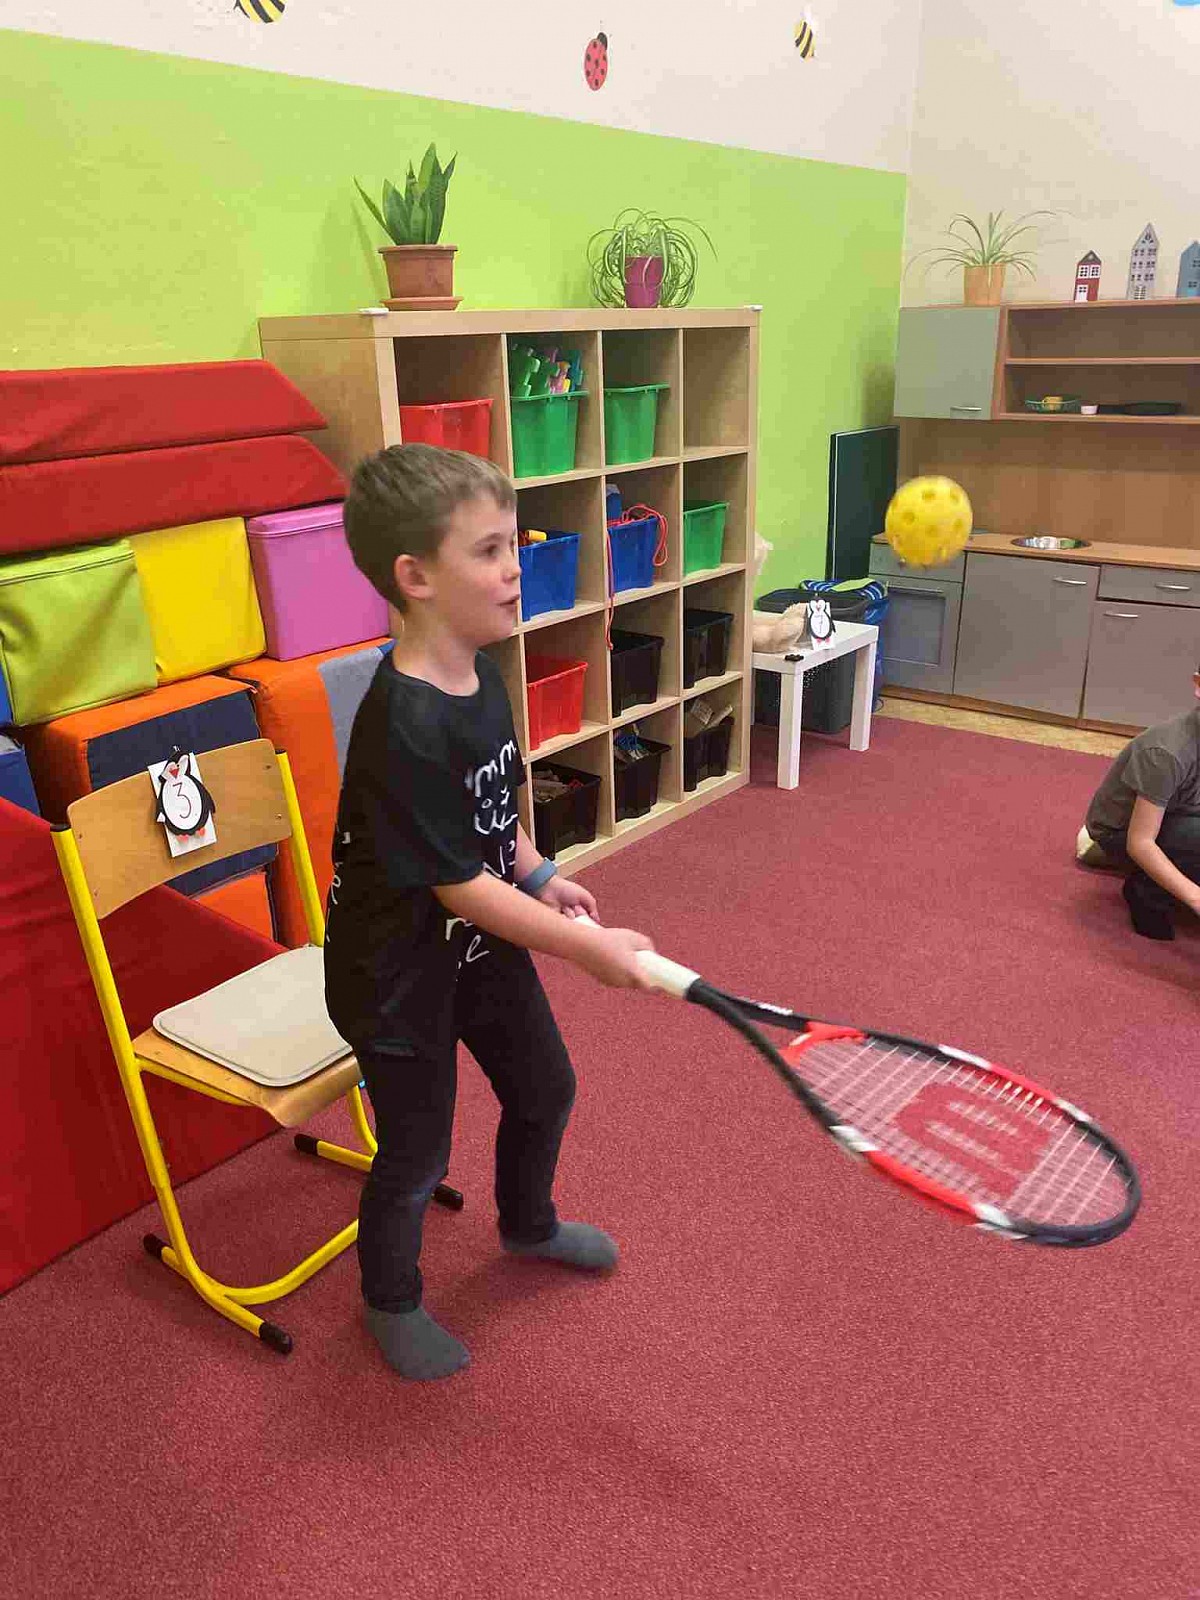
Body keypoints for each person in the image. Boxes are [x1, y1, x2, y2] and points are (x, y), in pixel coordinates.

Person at [325, 443, 655, 1381]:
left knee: (545, 1089)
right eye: (489, 550)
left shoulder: (483, 674)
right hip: (395, 977)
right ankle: (390, 1300)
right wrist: (585, 950)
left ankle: (528, 1224)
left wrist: (540, 873)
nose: (516, 568)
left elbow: (495, 820)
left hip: (475, 946)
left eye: (515, 544)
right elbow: (457, 884)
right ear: (415, 577)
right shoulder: (405, 721)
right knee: (418, 1152)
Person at [1081, 667, 1200, 941]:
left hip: (1180, 813)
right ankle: (1146, 891)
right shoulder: (1167, 752)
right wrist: (1196, 898)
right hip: (1122, 831)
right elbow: (1140, 842)